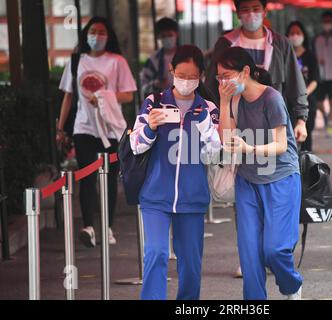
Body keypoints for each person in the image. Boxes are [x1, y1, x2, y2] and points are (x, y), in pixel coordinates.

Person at [130, 45, 221, 300]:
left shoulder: (209, 109)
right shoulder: (154, 102)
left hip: (193, 198)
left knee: (191, 264)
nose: (186, 82)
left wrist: (206, 128)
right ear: (171, 71)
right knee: (156, 253)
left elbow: (216, 155)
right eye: (182, 75)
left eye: (193, 77)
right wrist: (150, 127)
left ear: (202, 75)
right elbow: (135, 146)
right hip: (155, 196)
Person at [217, 47, 303, 300]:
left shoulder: (272, 98)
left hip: (281, 179)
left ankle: (292, 285)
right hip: (248, 181)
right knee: (249, 253)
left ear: (245, 71)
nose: (222, 82)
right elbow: (226, 138)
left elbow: (281, 145)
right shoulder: (233, 100)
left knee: (275, 250)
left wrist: (248, 147)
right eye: (218, 77)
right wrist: (223, 102)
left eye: (226, 75)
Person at [57, 17, 137, 248]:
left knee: (110, 178)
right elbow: (68, 96)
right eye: (93, 31)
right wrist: (61, 127)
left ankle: (108, 227)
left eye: (101, 32)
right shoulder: (77, 61)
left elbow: (128, 94)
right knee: (87, 176)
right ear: (86, 34)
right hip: (84, 127)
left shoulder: (117, 61)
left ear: (108, 36)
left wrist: (103, 97)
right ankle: (89, 227)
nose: (97, 36)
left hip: (111, 129)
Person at [206, 0, 309, 143]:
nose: (251, 14)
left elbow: (295, 82)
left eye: (255, 8)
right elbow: (211, 86)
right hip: (237, 128)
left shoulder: (280, 43)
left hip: (274, 125)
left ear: (264, 11)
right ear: (238, 13)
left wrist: (301, 120)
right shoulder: (225, 44)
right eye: (245, 9)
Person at [287, 21, 320, 152]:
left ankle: (306, 163)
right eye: (292, 33)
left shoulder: (310, 56)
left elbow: (315, 80)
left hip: (307, 103)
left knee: (306, 135)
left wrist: (303, 94)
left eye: (298, 33)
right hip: (288, 103)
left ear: (303, 35)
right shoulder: (285, 56)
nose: (295, 36)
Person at [313, 11, 332, 138]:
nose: (327, 23)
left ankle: (330, 126)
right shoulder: (316, 38)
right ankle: (325, 115)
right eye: (325, 21)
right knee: (318, 102)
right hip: (320, 75)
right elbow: (313, 56)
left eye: (329, 21)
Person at [140, 17, 179, 99]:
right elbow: (143, 86)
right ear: (159, 37)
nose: (167, 39)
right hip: (162, 104)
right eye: (164, 36)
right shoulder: (153, 60)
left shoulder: (186, 56)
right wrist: (156, 85)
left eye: (170, 35)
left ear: (177, 34)